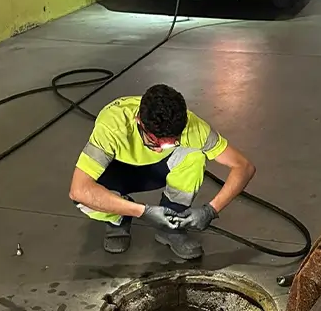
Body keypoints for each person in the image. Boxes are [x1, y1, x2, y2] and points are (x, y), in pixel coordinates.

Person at [68, 84, 256, 260]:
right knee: (84, 199)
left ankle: (171, 226)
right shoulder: (113, 125)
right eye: (153, 142)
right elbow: (78, 190)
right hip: (116, 172)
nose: (159, 149)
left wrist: (211, 210)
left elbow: (244, 166)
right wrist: (143, 211)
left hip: (157, 171)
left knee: (194, 156)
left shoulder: (193, 127)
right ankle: (119, 217)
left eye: (168, 143)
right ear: (139, 121)